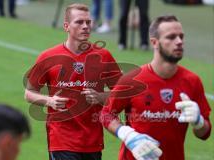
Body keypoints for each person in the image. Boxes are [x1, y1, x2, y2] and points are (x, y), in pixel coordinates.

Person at [101, 15, 212, 160]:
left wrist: (199, 122)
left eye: (181, 36)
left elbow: (204, 134)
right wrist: (127, 135)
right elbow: (106, 114)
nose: (179, 42)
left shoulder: (192, 81)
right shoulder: (132, 80)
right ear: (155, 42)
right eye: (171, 37)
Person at [24, 3, 121, 160]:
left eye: (88, 22)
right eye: (79, 22)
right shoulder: (48, 57)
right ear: (66, 26)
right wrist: (49, 100)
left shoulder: (103, 56)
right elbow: (29, 93)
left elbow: (121, 94)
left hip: (92, 141)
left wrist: (100, 97)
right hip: (61, 140)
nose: (85, 26)